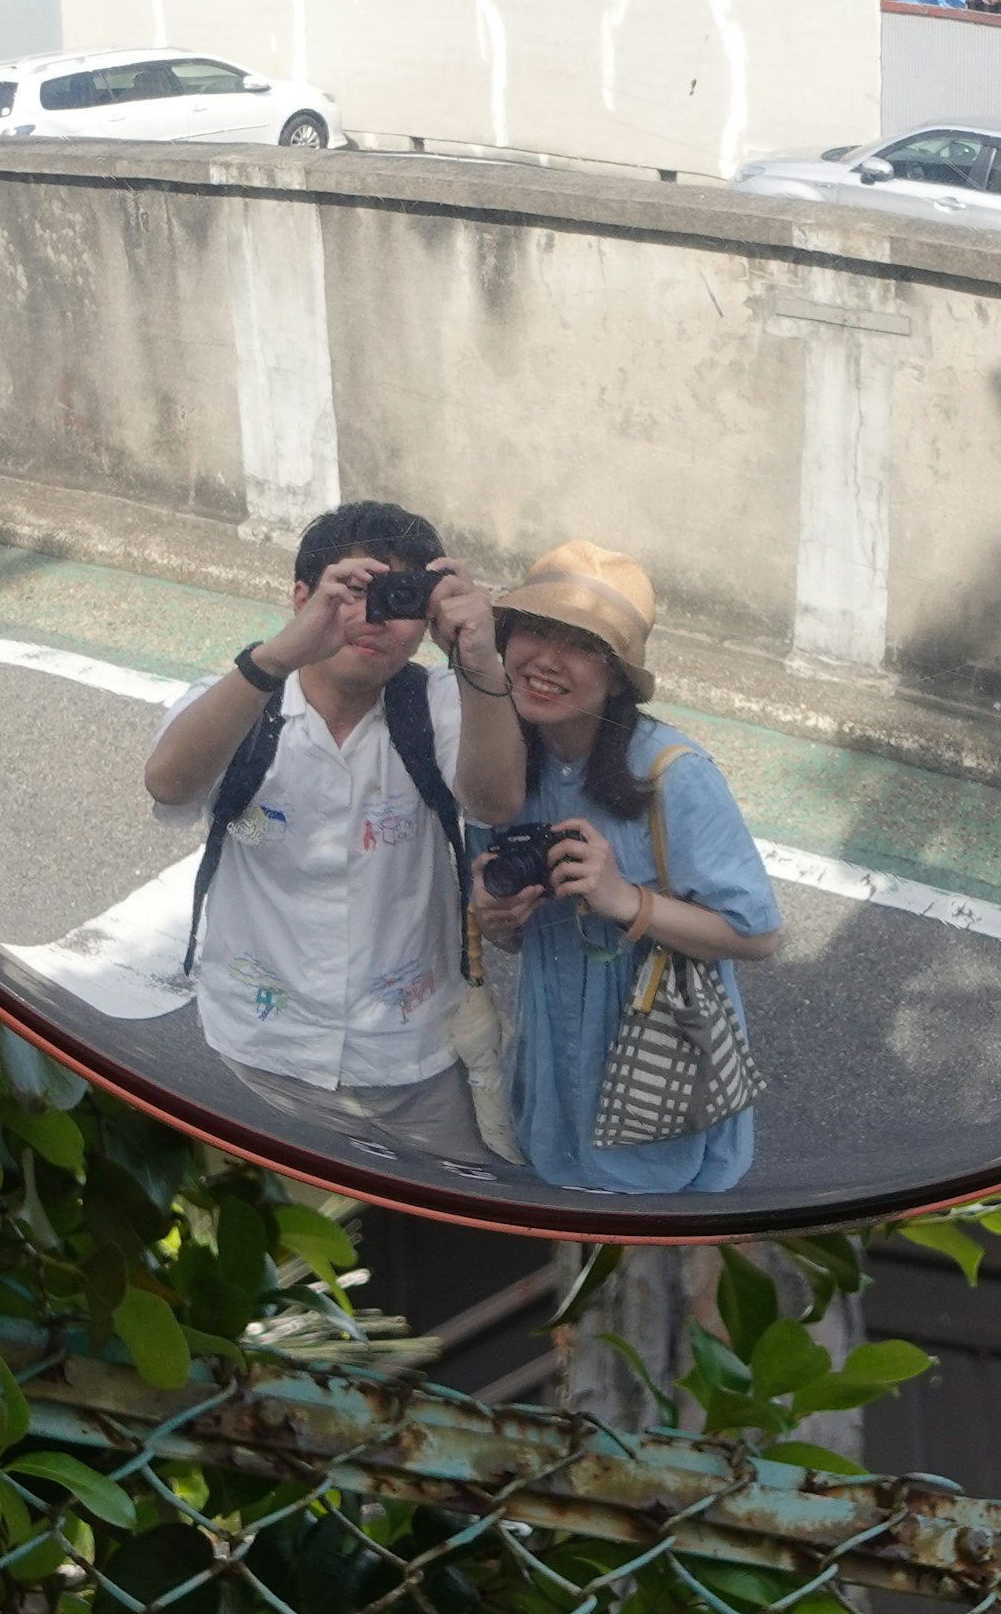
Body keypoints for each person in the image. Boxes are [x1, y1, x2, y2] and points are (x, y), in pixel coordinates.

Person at [140, 500, 525, 1168]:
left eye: (398, 599)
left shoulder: (436, 705)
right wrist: (278, 656)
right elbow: (168, 783)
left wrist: (481, 664)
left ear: (429, 613)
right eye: (351, 593)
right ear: (300, 597)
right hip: (259, 1056)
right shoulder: (238, 705)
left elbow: (495, 799)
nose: (373, 619)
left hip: (412, 1063)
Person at [470, 540, 780, 1194]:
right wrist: (498, 918)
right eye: (534, 630)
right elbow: (508, 933)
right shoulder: (499, 765)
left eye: (580, 645)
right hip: (550, 1069)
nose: (546, 659)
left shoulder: (672, 773)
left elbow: (757, 934)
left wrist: (625, 900)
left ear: (616, 676)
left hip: (656, 1066)